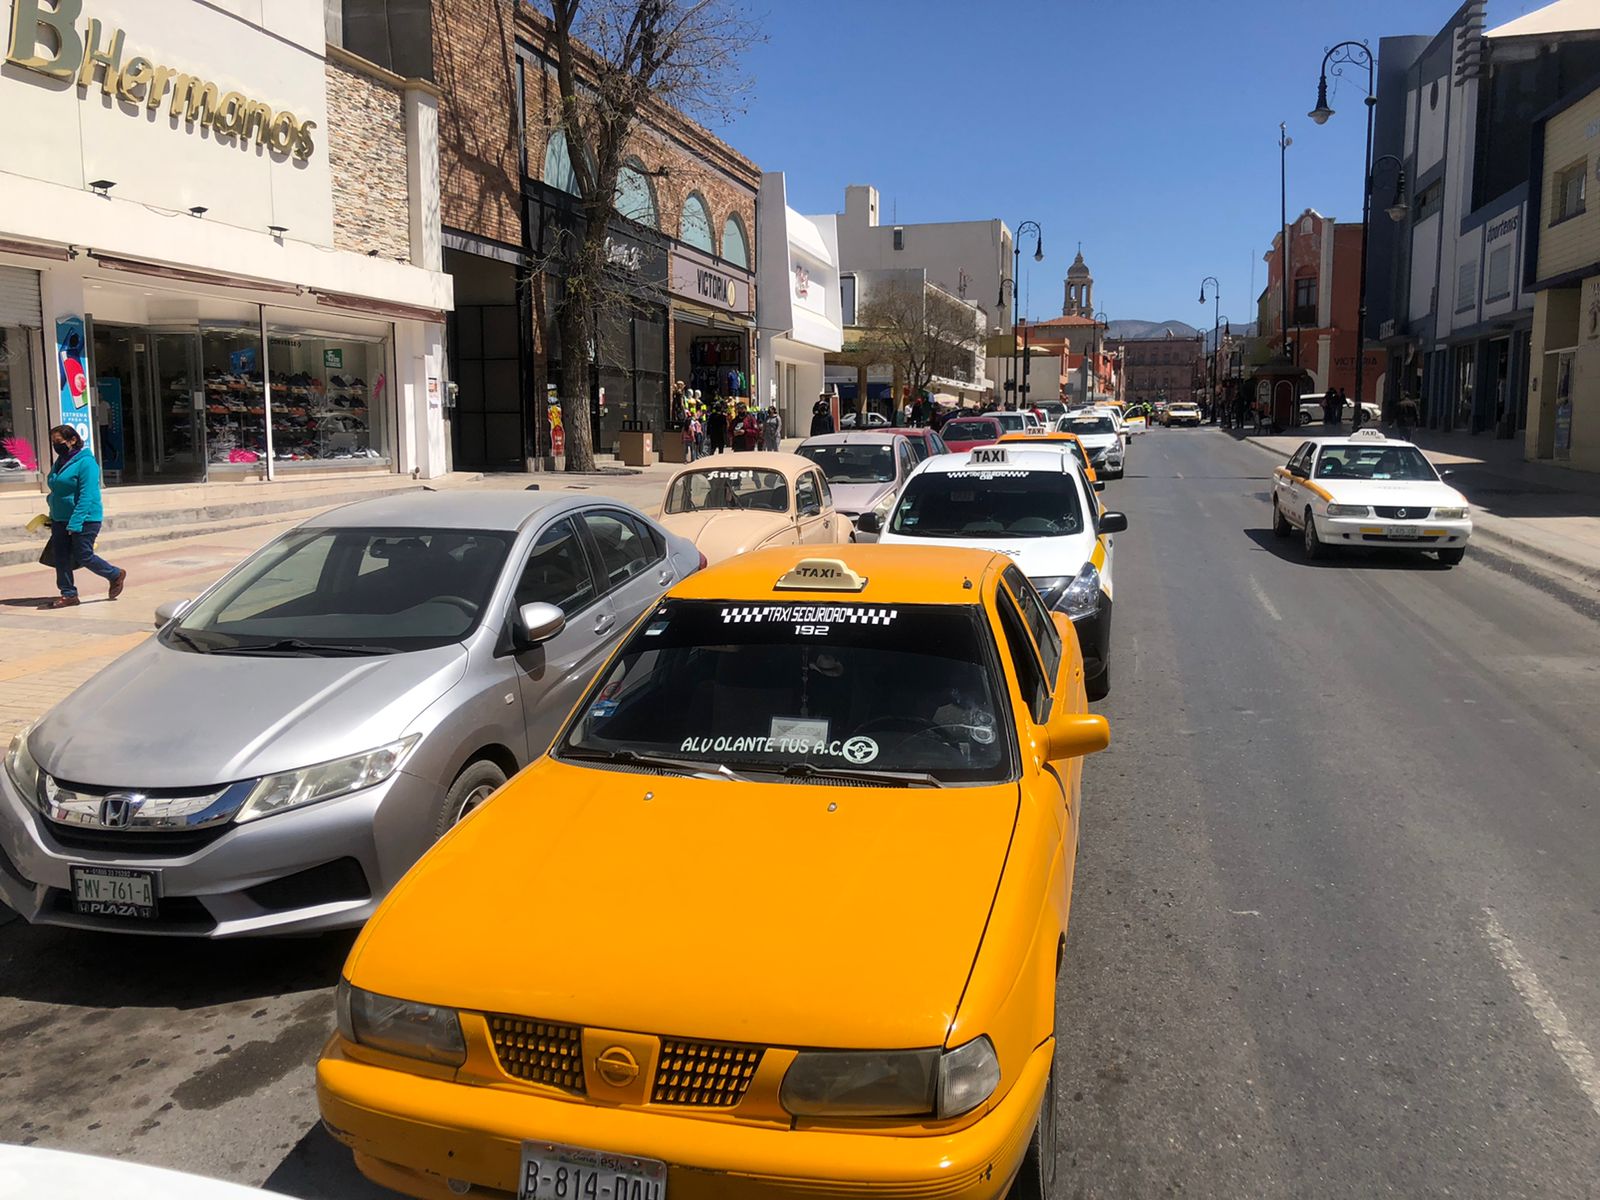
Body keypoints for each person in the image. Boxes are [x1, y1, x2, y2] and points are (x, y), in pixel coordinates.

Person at [43, 425, 125, 610]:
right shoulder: (60, 462)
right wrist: (52, 512)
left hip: (86, 518)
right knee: (61, 557)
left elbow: (87, 495)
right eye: (53, 442)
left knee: (83, 555)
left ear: (72, 440)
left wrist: (76, 522)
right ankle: (68, 594)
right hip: (60, 518)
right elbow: (56, 489)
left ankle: (114, 574)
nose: (56, 445)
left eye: (59, 442)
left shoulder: (87, 463)